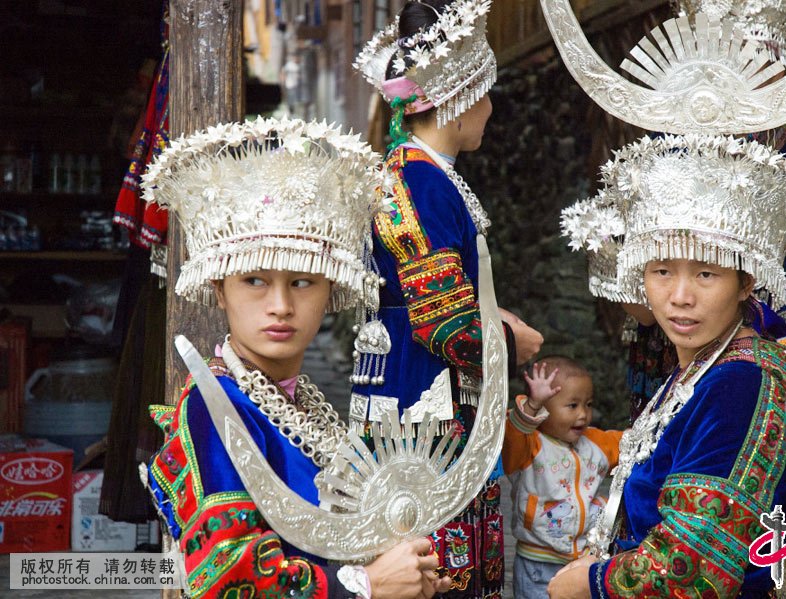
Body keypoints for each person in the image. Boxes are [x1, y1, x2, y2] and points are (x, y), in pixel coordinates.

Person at [140, 117, 451, 599]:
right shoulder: (214, 409)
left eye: (302, 282)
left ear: (330, 289)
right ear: (220, 289)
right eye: (255, 281)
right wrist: (366, 585)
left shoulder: (298, 400)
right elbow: (226, 578)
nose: (281, 305)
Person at [556, 133, 786, 598]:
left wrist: (593, 584)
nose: (680, 296)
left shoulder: (738, 386)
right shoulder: (698, 369)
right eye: (662, 271)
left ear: (745, 283)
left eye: (706, 273)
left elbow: (696, 569)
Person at [353, 1, 543, 596]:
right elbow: (445, 326)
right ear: (459, 100)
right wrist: (515, 340)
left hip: (410, 390)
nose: (490, 109)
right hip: (426, 400)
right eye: (485, 96)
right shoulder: (423, 183)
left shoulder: (415, 171)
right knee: (438, 560)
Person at [503, 357, 622, 599]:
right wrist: (532, 406)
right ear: (545, 408)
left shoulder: (594, 443)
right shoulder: (531, 446)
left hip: (583, 561)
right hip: (538, 562)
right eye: (572, 405)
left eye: (588, 404)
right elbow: (513, 437)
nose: (583, 414)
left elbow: (631, 442)